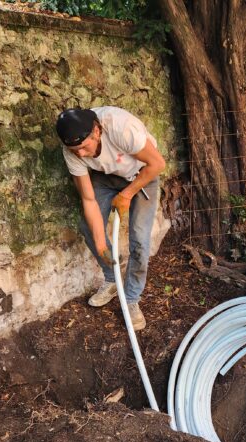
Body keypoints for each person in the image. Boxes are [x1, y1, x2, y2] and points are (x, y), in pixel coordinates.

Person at [55, 107, 166, 330]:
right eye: (74, 150)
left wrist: (126, 194)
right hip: (106, 178)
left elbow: (158, 164)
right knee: (88, 227)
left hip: (142, 174)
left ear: (97, 131)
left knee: (139, 241)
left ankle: (132, 299)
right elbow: (88, 199)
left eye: (84, 147)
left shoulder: (121, 128)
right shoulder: (72, 151)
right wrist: (100, 243)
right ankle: (112, 277)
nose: (81, 155)